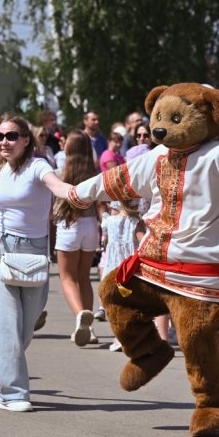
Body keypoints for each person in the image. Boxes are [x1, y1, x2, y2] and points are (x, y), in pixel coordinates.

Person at [0, 114, 77, 411]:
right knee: (7, 321)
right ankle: (13, 393)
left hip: (33, 252)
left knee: (25, 326)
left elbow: (56, 186)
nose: (4, 142)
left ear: (25, 140)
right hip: (0, 248)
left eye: (10, 136)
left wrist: (74, 193)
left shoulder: (38, 166)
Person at [51, 129, 102, 346]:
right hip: (90, 225)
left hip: (68, 224)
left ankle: (80, 315)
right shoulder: (94, 172)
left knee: (67, 277)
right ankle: (87, 329)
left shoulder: (61, 172)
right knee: (84, 278)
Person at [99, 200, 143, 351]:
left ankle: (118, 337)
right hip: (129, 269)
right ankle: (128, 337)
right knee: (131, 304)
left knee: (114, 305)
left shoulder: (108, 221)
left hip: (112, 268)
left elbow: (105, 243)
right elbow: (142, 242)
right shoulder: (135, 223)